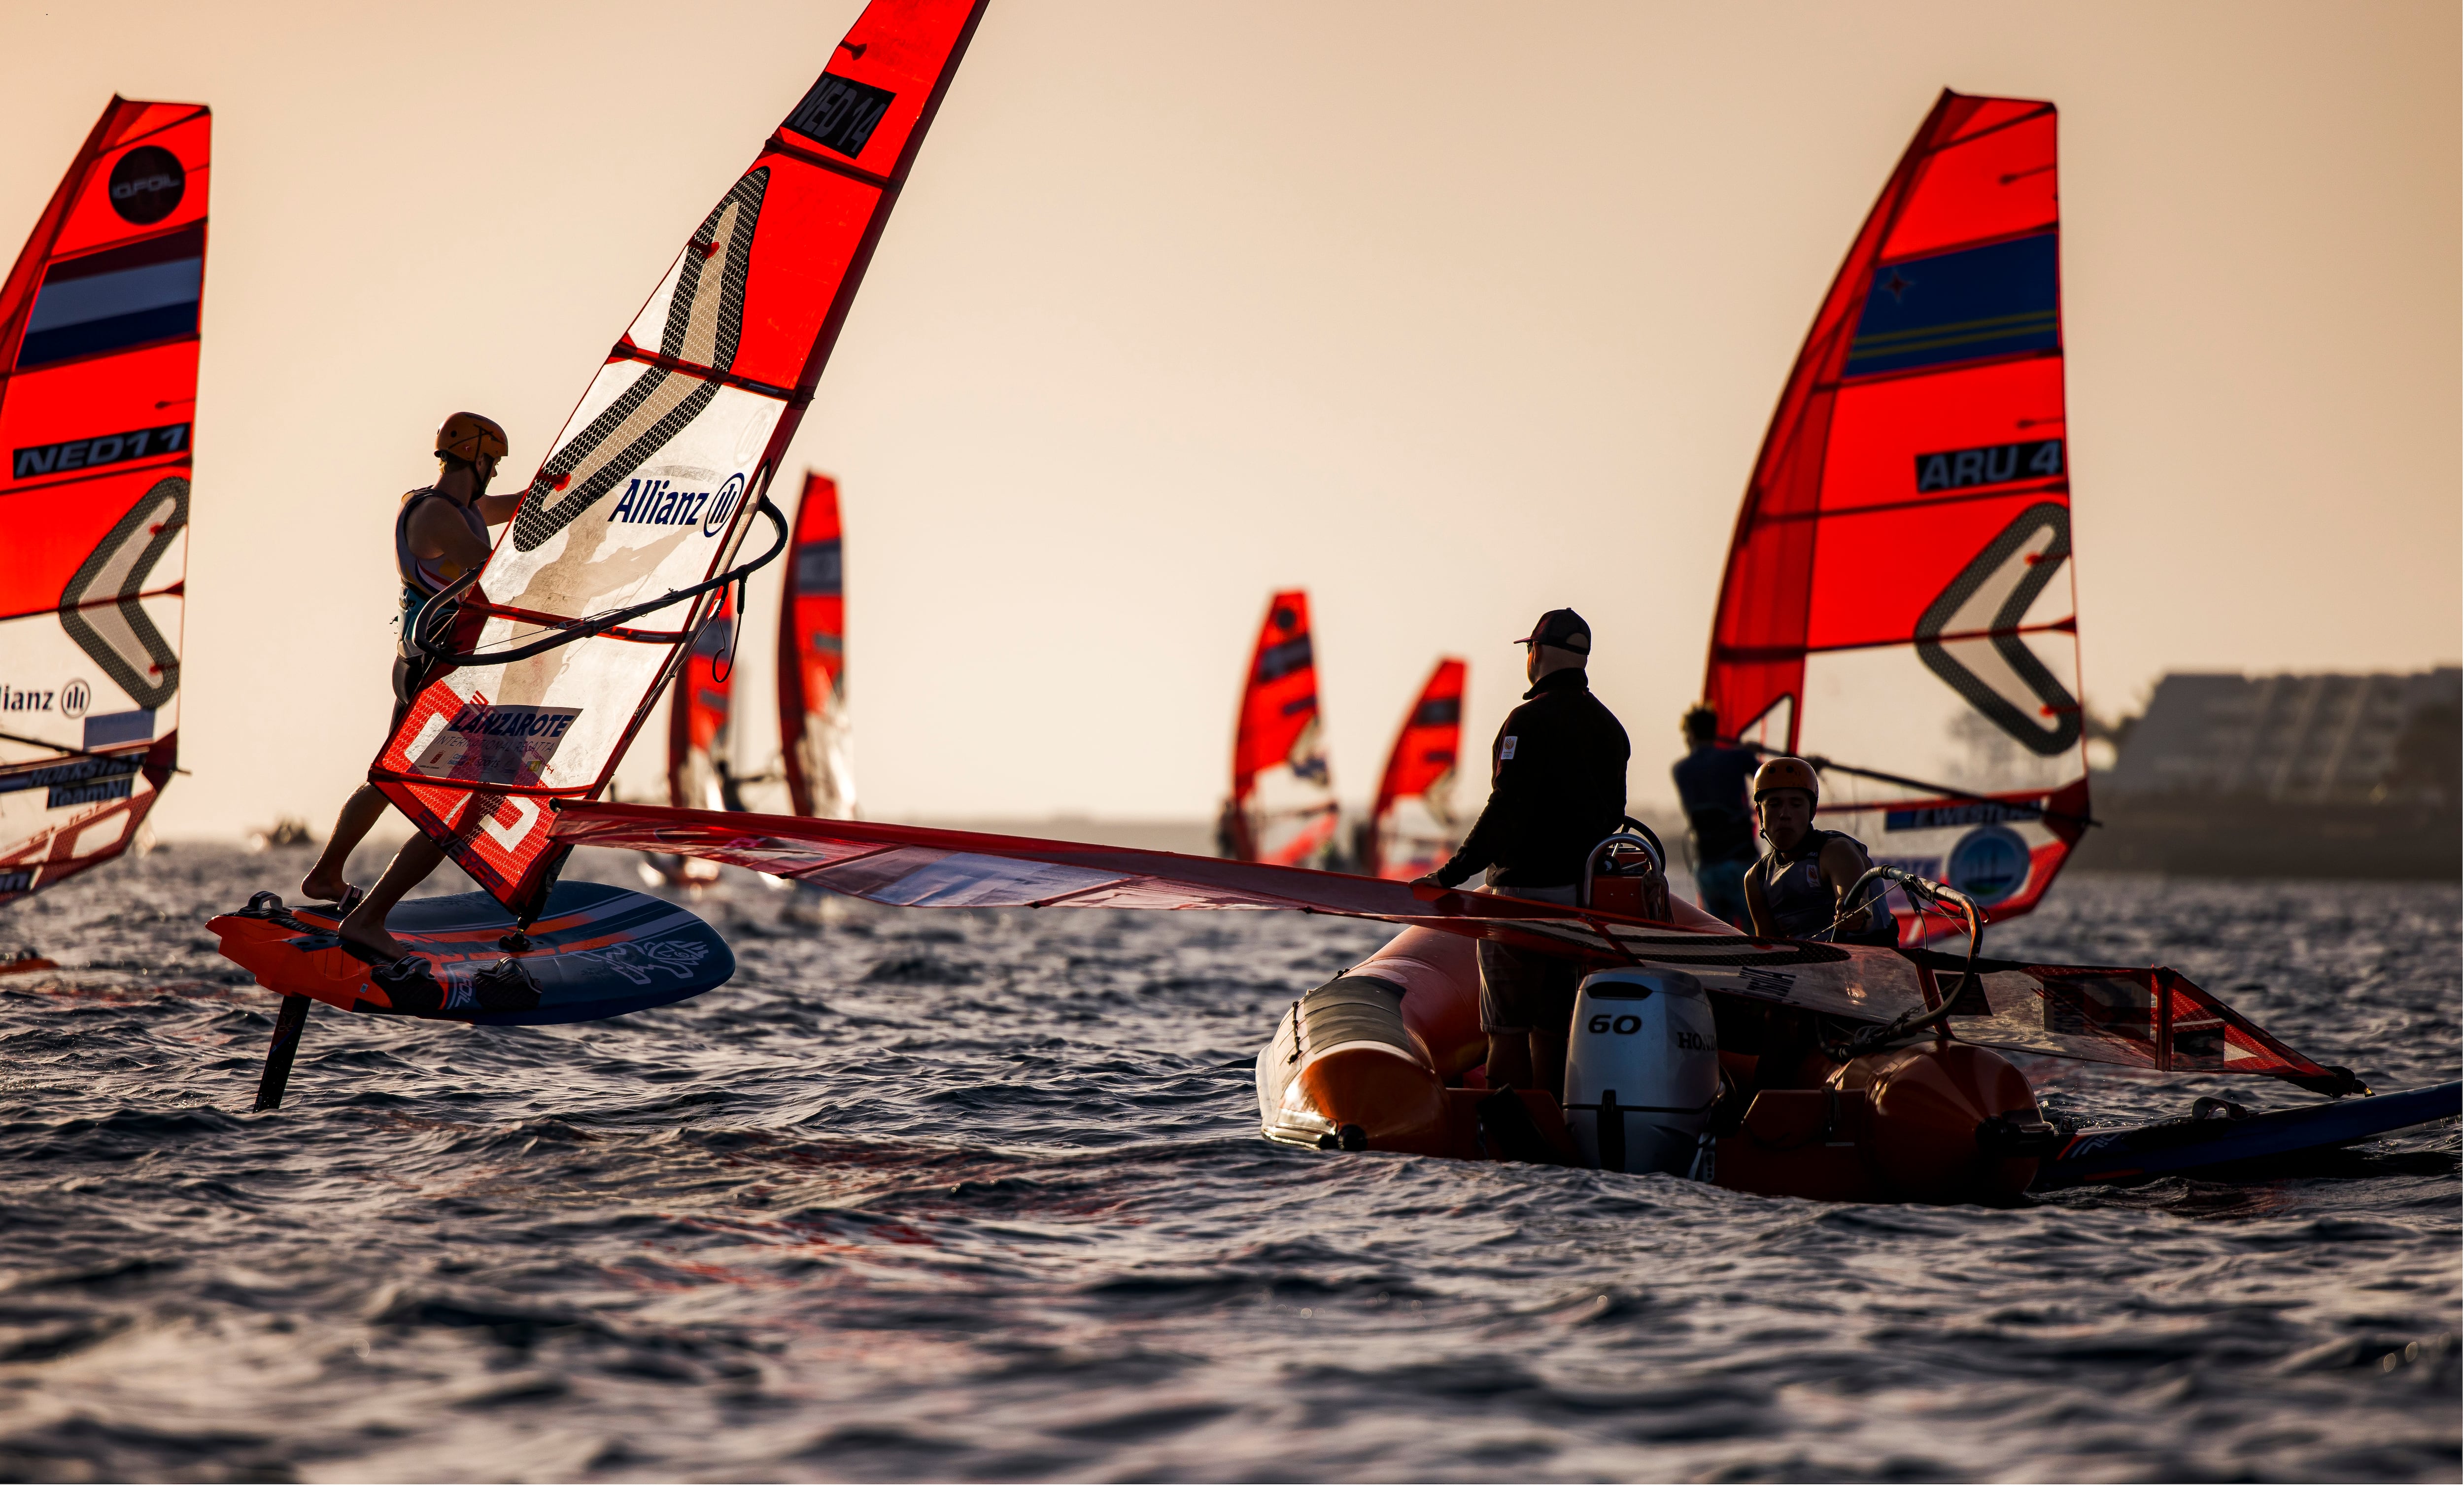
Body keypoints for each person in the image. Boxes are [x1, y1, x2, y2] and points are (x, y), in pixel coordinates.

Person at [299, 413, 519, 963]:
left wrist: (565, 486)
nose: (494, 474)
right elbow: (503, 573)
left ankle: (326, 875)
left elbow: (509, 506)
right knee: (470, 802)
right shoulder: (440, 517)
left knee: (389, 778)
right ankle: (369, 918)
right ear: (477, 457)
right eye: (492, 462)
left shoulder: (446, 504)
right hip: (438, 670)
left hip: (419, 661)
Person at [1411, 608, 1630, 1098]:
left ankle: (1506, 1132)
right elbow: (1611, 817)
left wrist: (1448, 876)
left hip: (1520, 898)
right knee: (1553, 1025)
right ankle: (1552, 1121)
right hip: (1580, 901)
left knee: (1507, 1027)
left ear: (1537, 653)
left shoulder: (1526, 722)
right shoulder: (1611, 729)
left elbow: (1505, 810)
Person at [1741, 756, 1898, 947]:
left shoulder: (1836, 852)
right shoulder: (1756, 879)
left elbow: (1862, 911)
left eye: (1796, 804)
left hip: (1869, 968)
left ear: (1812, 812)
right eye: (1774, 805)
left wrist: (1855, 914)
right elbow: (1768, 952)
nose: (1785, 814)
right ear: (1759, 813)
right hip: (1805, 974)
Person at [1671, 705, 1759, 928]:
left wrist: (1741, 753)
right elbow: (1774, 778)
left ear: (1690, 734)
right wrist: (1746, 754)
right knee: (1757, 932)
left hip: (1709, 866)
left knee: (1720, 934)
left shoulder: (1681, 769)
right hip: (1742, 864)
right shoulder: (1738, 758)